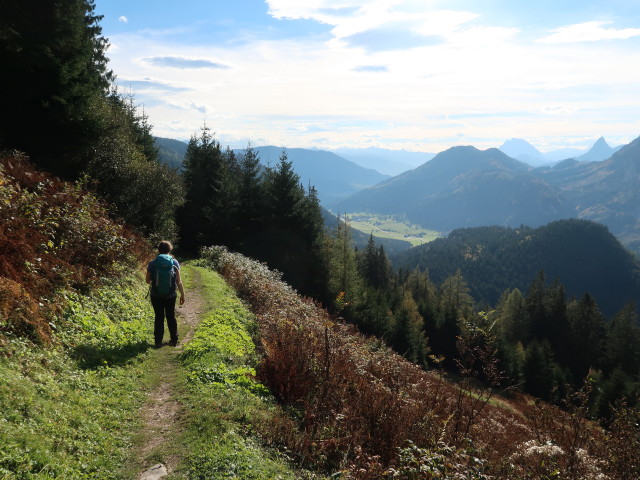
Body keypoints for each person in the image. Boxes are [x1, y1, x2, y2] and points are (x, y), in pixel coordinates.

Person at [146, 240, 185, 347]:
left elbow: (147, 281)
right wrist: (182, 294)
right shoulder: (175, 262)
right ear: (170, 250)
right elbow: (178, 281)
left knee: (159, 317)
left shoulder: (153, 263)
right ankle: (174, 340)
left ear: (158, 250)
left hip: (156, 294)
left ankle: (158, 341)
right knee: (171, 316)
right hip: (171, 295)